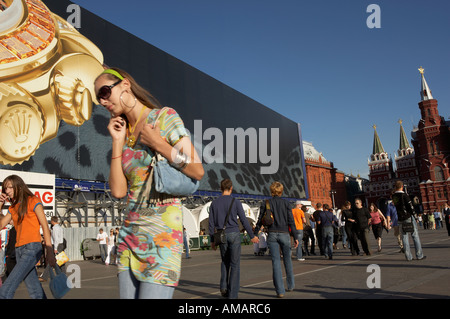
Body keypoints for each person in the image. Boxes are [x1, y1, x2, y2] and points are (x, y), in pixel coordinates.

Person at [95, 67, 204, 299]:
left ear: (125, 85)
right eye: (98, 98)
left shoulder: (164, 117)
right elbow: (118, 191)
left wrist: (160, 144)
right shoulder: (124, 134)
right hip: (128, 237)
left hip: (162, 239)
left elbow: (197, 169)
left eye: (105, 92)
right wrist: (117, 142)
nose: (103, 101)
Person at [0, 175, 56, 299]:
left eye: (9, 187)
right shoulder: (12, 207)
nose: (7, 191)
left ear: (18, 186)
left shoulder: (33, 200)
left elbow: (45, 226)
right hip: (18, 250)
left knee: (5, 290)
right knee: (35, 292)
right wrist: (0, 203)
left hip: (32, 248)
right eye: (5, 188)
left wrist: (50, 252)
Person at [209, 179, 258, 299]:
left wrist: (212, 240)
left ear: (221, 188)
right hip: (234, 234)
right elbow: (243, 219)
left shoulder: (214, 204)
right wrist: (252, 236)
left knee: (224, 261)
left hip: (221, 235)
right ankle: (233, 295)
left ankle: (223, 287)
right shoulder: (235, 202)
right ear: (231, 188)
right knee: (235, 265)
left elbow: (211, 223)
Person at [254, 181, 298, 298]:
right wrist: (296, 237)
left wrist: (254, 233)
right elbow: (291, 221)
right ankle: (291, 285)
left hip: (272, 234)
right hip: (284, 234)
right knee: (287, 259)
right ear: (281, 191)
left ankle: (280, 291)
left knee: (276, 262)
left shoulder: (266, 203)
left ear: (272, 191)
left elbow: (260, 220)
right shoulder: (286, 203)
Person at [392, 180, 425, 261]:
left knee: (404, 237)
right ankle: (419, 255)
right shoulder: (404, 195)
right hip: (408, 217)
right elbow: (410, 207)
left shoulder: (394, 196)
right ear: (402, 186)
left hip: (400, 218)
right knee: (415, 235)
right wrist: (415, 216)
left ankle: (408, 256)